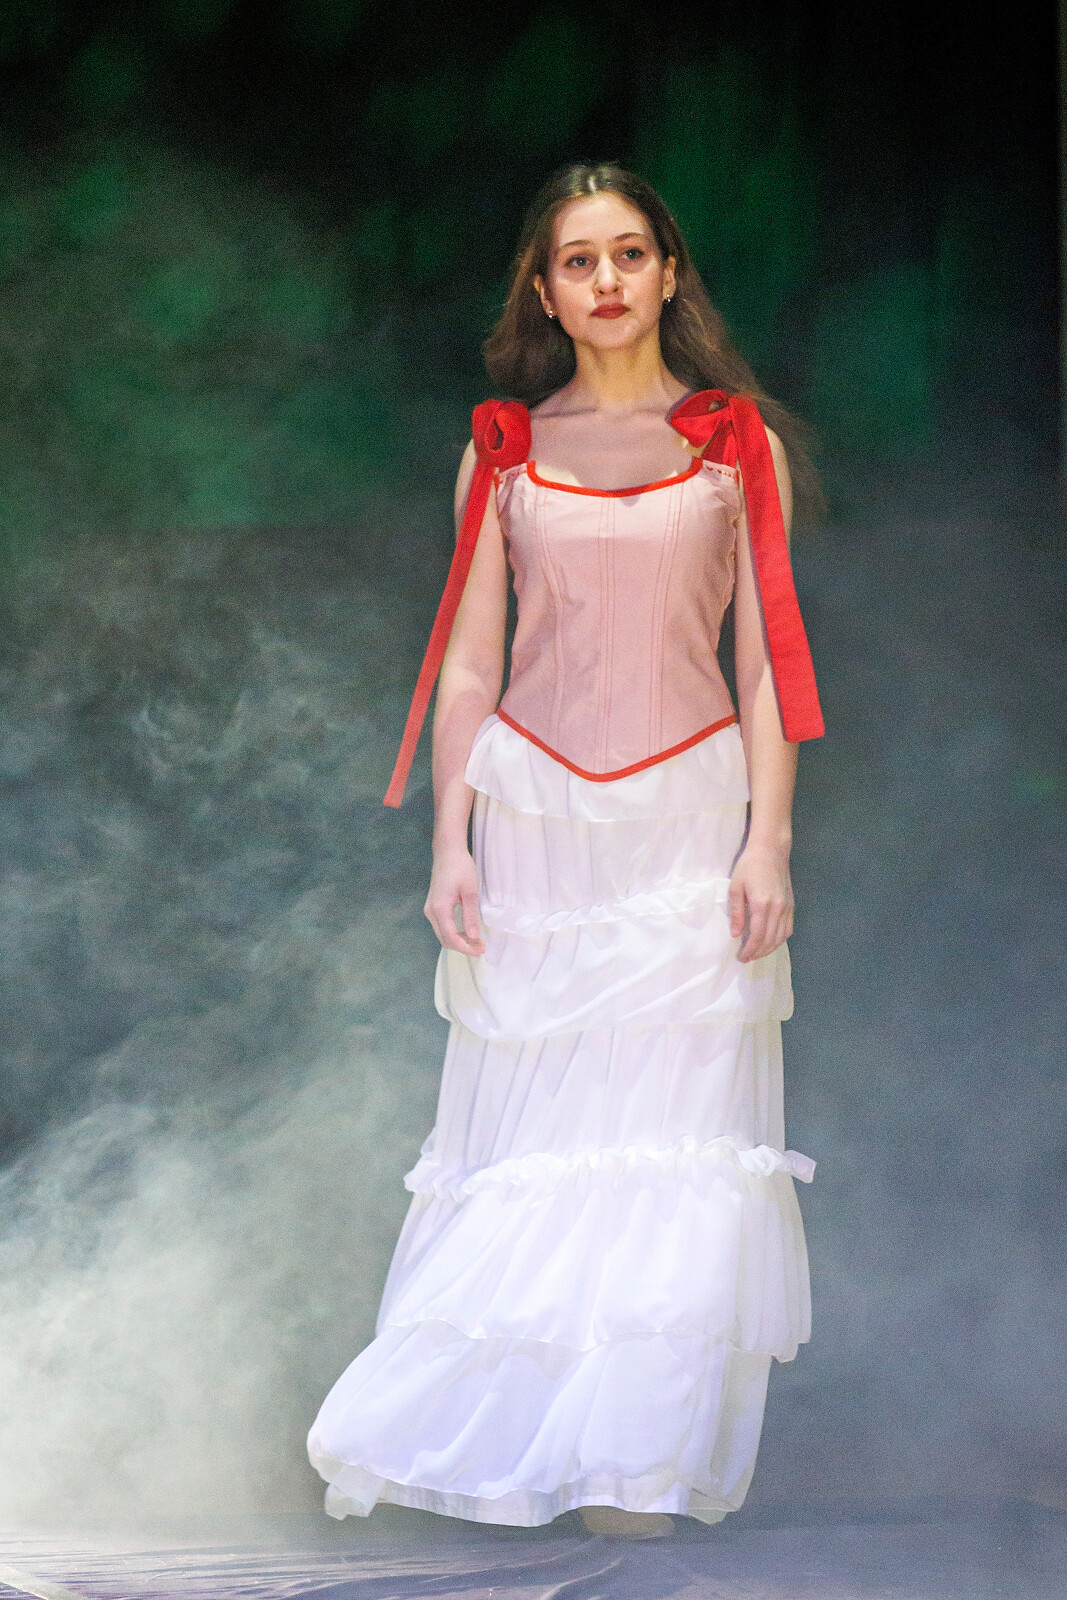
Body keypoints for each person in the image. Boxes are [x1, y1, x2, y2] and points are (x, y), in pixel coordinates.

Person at [307, 162, 823, 1539]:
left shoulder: (735, 446)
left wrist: (768, 842)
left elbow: (767, 661)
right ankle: (531, 1445)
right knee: (545, 1134)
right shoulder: (503, 451)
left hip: (690, 821)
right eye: (578, 260)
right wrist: (451, 842)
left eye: (629, 253)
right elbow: (472, 664)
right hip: (537, 821)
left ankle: (633, 1464)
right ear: (544, 290)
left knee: (672, 1141)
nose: (606, 280)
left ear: (670, 273)